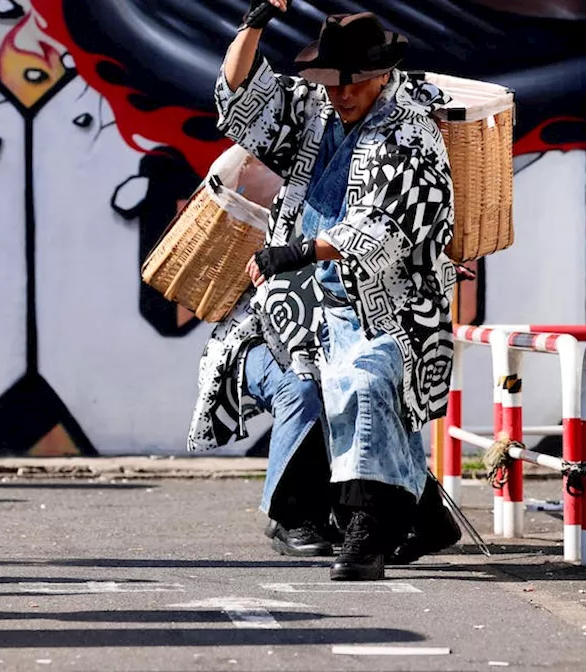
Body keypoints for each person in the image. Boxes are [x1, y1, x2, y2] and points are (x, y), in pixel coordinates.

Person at [190, 1, 460, 581]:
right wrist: (253, 24)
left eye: (352, 84)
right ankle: (417, 515)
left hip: (391, 306)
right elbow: (239, 101)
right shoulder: (312, 109)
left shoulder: (412, 133)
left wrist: (290, 253)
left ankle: (366, 536)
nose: (340, 95)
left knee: (363, 384)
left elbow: (383, 227)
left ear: (381, 76)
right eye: (332, 83)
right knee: (328, 390)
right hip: (305, 305)